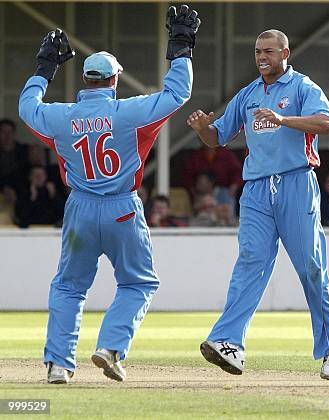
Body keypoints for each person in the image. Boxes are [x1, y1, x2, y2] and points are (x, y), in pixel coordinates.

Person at [18, 5, 200, 384]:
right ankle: (111, 347)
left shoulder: (61, 117)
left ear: (85, 80)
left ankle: (58, 365)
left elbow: (26, 108)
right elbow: (178, 93)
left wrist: (44, 68)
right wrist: (181, 45)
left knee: (69, 287)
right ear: (115, 80)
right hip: (121, 208)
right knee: (138, 283)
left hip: (80, 209)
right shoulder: (130, 113)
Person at [187, 29, 329, 380]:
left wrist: (283, 119)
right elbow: (218, 137)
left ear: (285, 52)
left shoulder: (303, 87)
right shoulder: (247, 94)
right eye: (257, 51)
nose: (261, 57)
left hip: (296, 182)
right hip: (256, 188)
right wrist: (201, 129)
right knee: (250, 264)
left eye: (268, 51)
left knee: (311, 268)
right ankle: (229, 343)